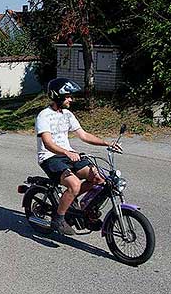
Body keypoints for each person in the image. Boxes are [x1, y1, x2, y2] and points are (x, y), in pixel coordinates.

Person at [35, 78, 121, 235]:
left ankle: (77, 205)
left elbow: (84, 135)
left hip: (68, 155)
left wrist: (107, 143)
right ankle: (58, 219)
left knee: (98, 179)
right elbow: (47, 143)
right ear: (57, 96)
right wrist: (66, 152)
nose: (70, 99)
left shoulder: (67, 114)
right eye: (67, 96)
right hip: (50, 157)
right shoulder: (44, 116)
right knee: (74, 185)